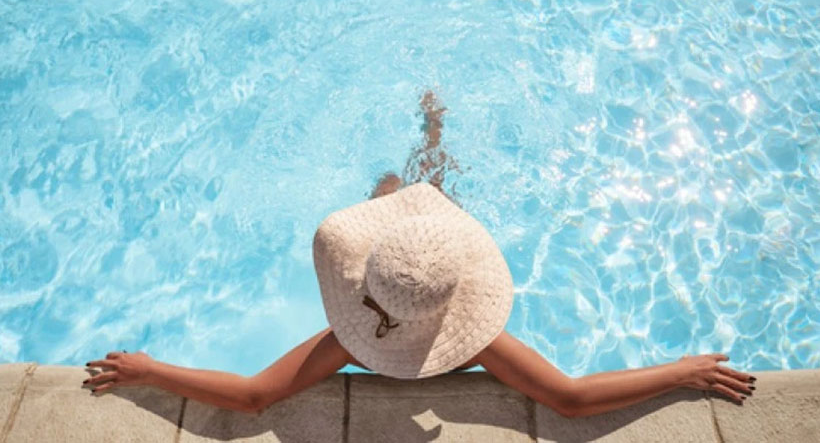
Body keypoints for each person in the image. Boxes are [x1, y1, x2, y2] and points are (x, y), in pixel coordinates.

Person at [84, 90, 756, 417]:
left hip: (401, 264)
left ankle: (427, 138)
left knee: (391, 190)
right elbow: (571, 400)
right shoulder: (478, 342)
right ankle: (433, 130)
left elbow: (254, 396)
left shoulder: (348, 343)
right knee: (425, 193)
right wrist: (680, 371)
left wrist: (151, 369)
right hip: (424, 265)